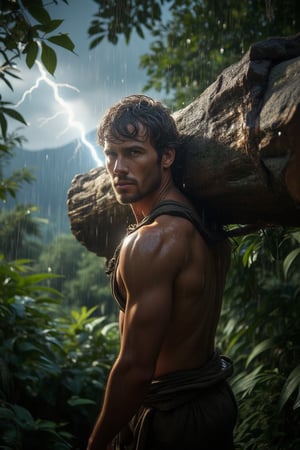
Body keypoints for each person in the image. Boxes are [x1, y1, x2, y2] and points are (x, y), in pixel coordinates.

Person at [87, 95, 237, 450]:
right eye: (111, 154)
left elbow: (136, 368)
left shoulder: (152, 242)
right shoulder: (201, 222)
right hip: (210, 404)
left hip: (173, 420)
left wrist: (97, 442)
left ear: (166, 156)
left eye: (134, 152)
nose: (118, 167)